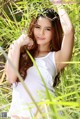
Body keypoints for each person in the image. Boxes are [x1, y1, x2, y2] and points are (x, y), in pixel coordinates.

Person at [5, 0, 74, 118]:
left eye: (47, 29)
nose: (41, 33)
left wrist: (58, 3)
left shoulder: (55, 58)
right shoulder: (19, 52)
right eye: (38, 27)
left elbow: (69, 31)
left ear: (54, 32)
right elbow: (11, 78)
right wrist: (17, 45)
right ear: (32, 27)